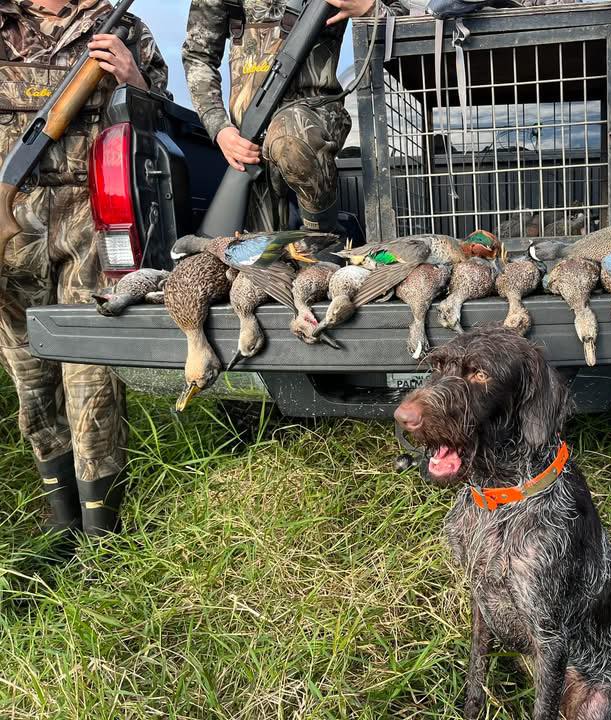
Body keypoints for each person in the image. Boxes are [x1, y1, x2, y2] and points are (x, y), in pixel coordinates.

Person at [0, 0, 168, 539]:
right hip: (8, 223)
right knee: (30, 380)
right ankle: (62, 523)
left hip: (90, 223)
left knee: (90, 378)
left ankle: (102, 531)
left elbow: (161, 126)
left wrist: (133, 77)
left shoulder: (123, 26)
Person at [182, 0, 407, 235]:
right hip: (248, 143)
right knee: (260, 260)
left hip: (315, 116)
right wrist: (220, 128)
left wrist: (369, 9)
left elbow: (407, 22)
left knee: (290, 135)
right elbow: (198, 55)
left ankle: (322, 235)